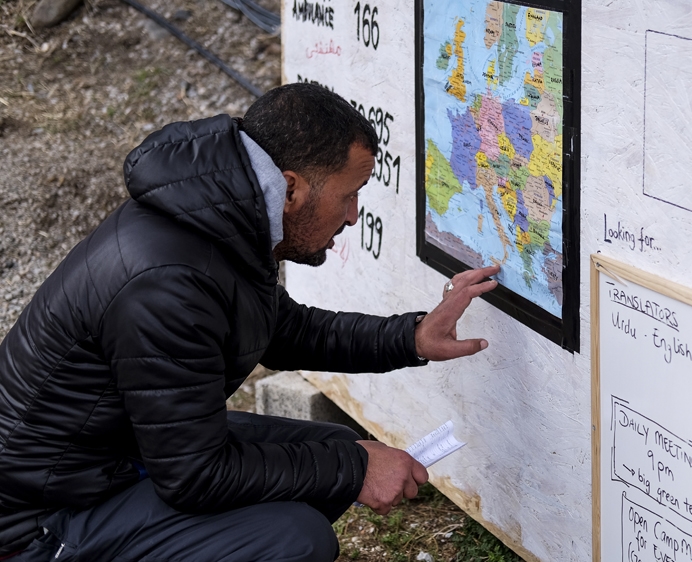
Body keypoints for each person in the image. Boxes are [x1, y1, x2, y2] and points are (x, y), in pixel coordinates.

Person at [0, 83, 500, 561]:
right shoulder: (169, 282)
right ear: (290, 189)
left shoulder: (217, 218)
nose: (352, 216)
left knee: (338, 449)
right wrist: (357, 470)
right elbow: (195, 476)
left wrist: (411, 337)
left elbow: (283, 330)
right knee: (295, 539)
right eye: (349, 195)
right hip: (40, 518)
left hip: (112, 456)